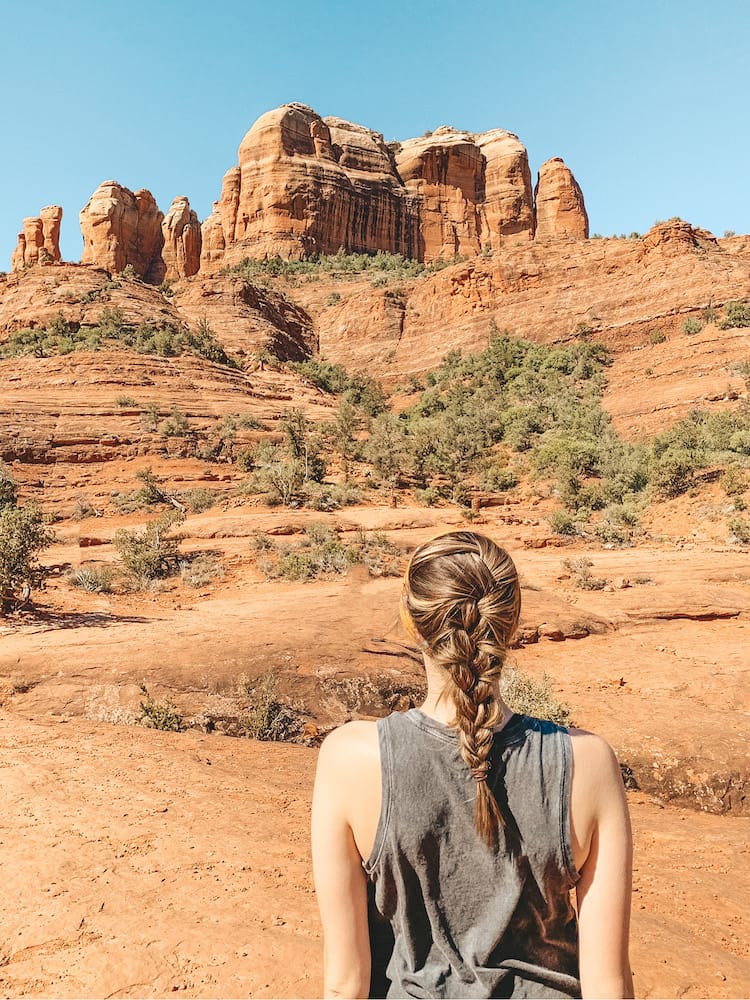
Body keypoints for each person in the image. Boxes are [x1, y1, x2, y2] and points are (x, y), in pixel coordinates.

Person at [311, 530, 633, 999]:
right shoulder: (587, 762)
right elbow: (609, 985)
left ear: (410, 622)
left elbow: (345, 985)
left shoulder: (350, 758)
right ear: (512, 623)